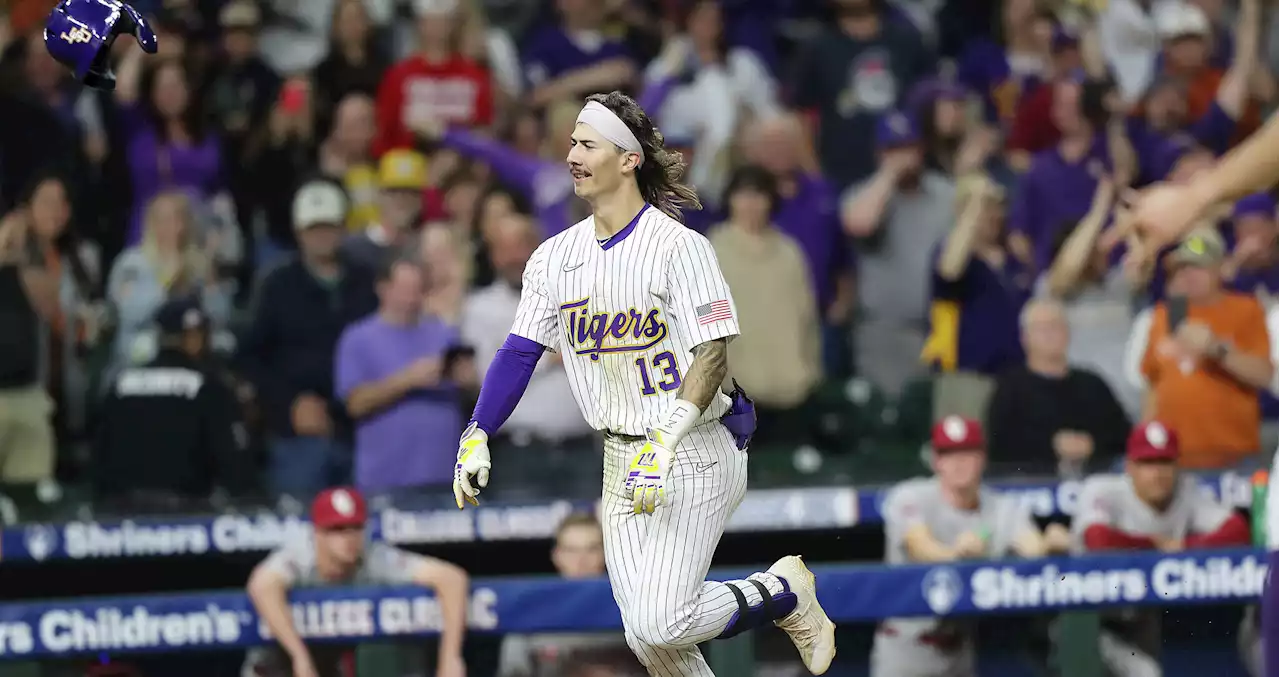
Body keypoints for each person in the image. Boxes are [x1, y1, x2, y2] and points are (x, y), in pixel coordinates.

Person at [451, 91, 836, 676]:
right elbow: (520, 350)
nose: (573, 155)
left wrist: (667, 440)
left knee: (661, 620)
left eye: (588, 144)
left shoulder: (681, 247)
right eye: (572, 143)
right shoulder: (554, 257)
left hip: (693, 446)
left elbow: (711, 355)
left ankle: (781, 591)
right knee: (649, 639)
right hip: (619, 455)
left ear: (629, 159)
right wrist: (478, 429)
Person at [872, 415, 1069, 677]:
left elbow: (1032, 547)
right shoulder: (910, 496)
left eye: (967, 452)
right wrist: (954, 554)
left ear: (982, 457)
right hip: (906, 650)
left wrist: (1050, 543)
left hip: (959, 651)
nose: (958, 462)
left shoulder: (1001, 507)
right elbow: (919, 545)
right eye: (949, 454)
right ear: (936, 460)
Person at [1070, 420, 1250, 676]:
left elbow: (1237, 531)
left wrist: (1186, 546)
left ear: (1177, 465)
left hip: (1146, 620)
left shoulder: (1186, 490)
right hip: (1090, 623)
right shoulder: (1104, 489)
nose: (1157, 473)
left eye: (1164, 462)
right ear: (1130, 466)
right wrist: (1153, 544)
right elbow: (1097, 540)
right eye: (1147, 463)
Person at [245, 486, 469, 677]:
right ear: (317, 534)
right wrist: (299, 657)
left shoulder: (372, 556)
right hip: (276, 664)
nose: (349, 538)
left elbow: (452, 578)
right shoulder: (301, 555)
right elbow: (262, 585)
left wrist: (451, 659)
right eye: (337, 529)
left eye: (355, 527)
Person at [93, 297, 244, 513]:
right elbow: (234, 467)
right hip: (186, 520)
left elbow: (98, 459)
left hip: (121, 519)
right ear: (193, 337)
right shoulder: (209, 386)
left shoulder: (121, 384)